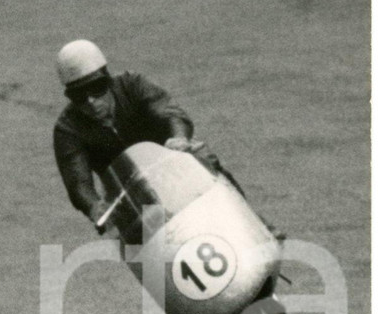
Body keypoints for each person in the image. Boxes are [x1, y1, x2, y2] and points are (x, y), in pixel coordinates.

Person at [52, 39, 284, 239]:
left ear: (108, 80)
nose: (91, 101)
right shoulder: (67, 128)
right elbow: (78, 182)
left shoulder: (133, 84)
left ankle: (254, 224)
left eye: (96, 88)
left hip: (172, 164)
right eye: (78, 96)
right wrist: (94, 207)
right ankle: (159, 283)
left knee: (202, 156)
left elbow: (169, 112)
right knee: (119, 230)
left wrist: (178, 138)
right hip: (127, 193)